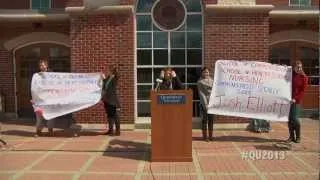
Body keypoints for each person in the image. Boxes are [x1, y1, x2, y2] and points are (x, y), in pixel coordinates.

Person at [32, 58, 55, 137]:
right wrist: (32, 97)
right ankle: (38, 131)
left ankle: (50, 130)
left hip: (49, 99)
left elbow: (55, 84)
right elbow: (33, 87)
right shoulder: (36, 75)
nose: (42, 66)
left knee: (50, 115)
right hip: (39, 99)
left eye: (43, 65)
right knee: (39, 116)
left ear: (46, 65)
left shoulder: (52, 74)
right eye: (40, 65)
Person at [287, 61, 308, 143]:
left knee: (295, 119)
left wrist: (295, 99)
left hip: (296, 101)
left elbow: (302, 91)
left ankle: (298, 136)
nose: (299, 69)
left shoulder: (304, 77)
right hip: (288, 100)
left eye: (300, 67)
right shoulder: (289, 75)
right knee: (289, 119)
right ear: (294, 67)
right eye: (297, 67)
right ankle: (291, 137)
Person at [101, 65, 121, 136]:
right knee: (109, 115)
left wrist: (116, 70)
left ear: (111, 71)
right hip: (107, 100)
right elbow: (104, 86)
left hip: (112, 100)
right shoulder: (107, 79)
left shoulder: (113, 78)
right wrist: (102, 78)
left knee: (115, 115)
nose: (107, 71)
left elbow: (117, 76)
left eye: (108, 70)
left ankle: (118, 131)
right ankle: (110, 130)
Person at [197, 67, 214, 141]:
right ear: (202, 73)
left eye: (207, 72)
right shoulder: (200, 82)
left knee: (211, 120)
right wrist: (205, 105)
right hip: (204, 103)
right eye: (204, 72)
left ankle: (210, 136)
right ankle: (205, 137)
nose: (206, 73)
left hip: (212, 103)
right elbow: (202, 94)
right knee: (204, 120)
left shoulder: (213, 81)